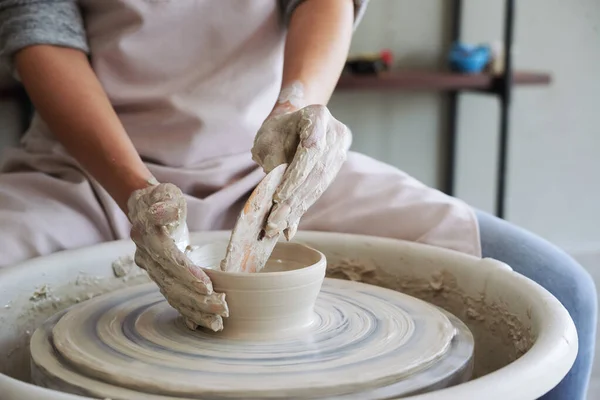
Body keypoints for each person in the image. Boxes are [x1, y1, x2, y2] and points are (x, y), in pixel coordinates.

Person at [0, 1, 595, 398]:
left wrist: (297, 107)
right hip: (92, 173)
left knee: (561, 290)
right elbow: (40, 31)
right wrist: (138, 194)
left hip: (271, 161)